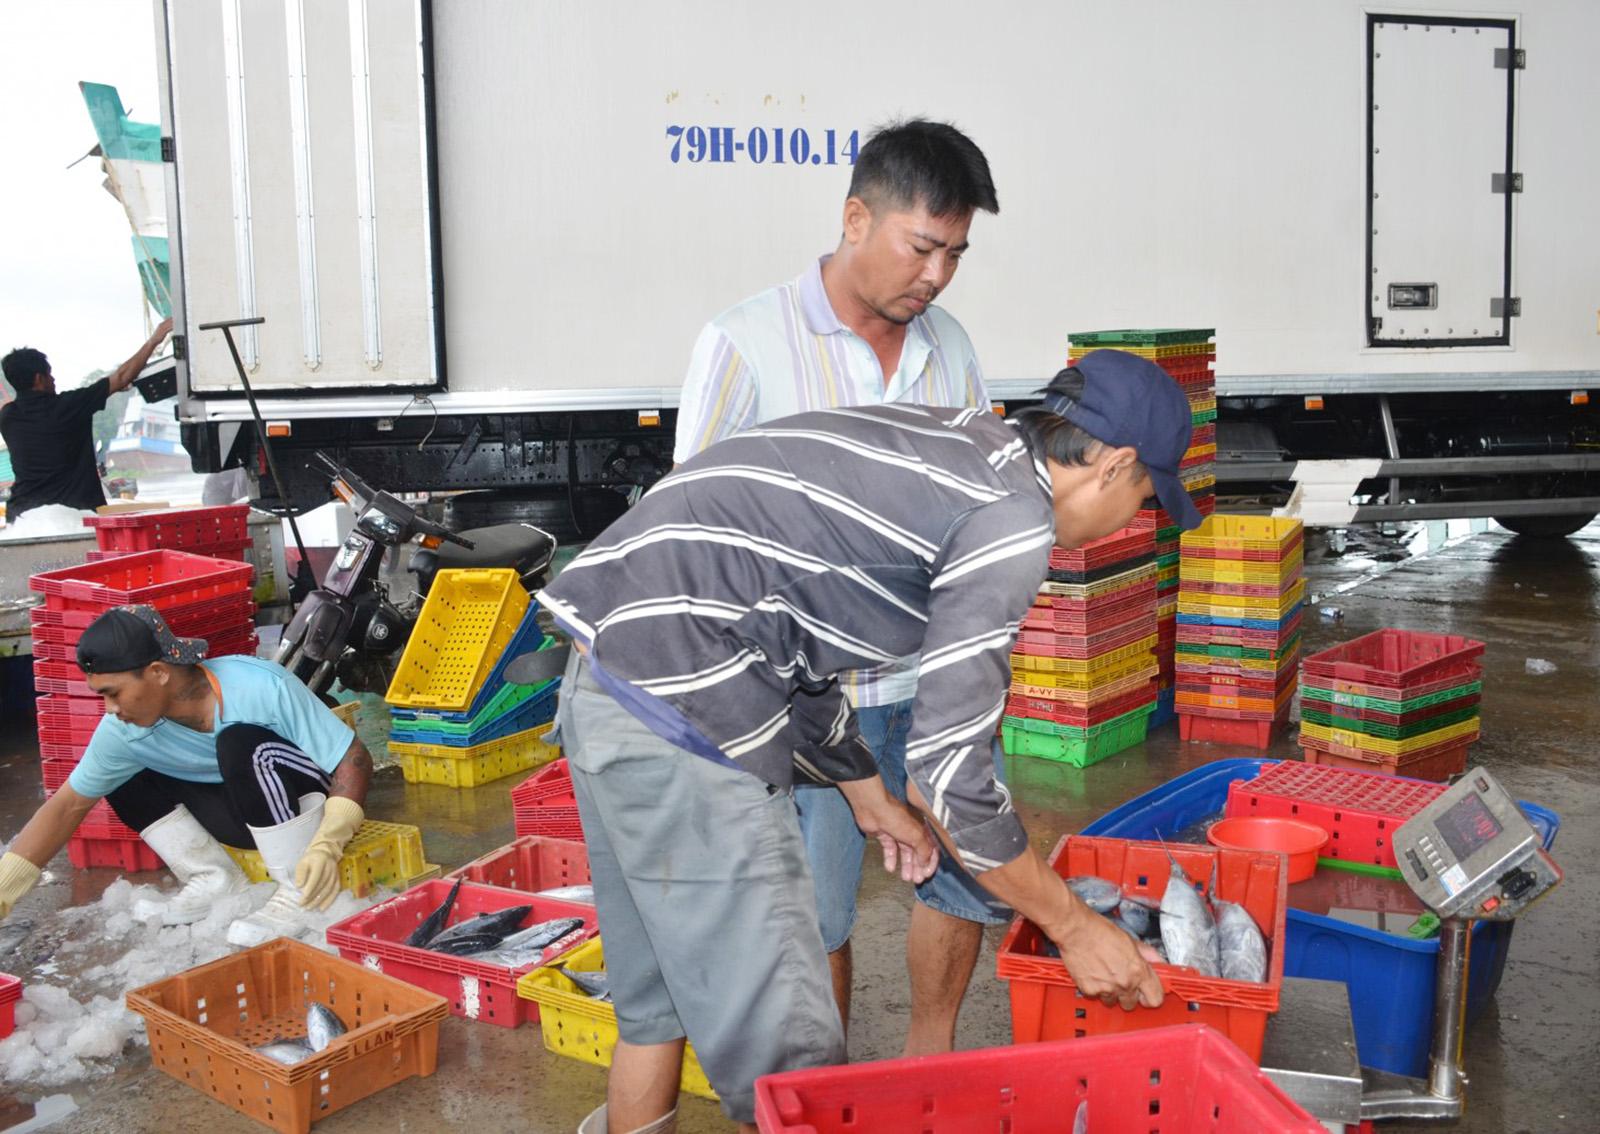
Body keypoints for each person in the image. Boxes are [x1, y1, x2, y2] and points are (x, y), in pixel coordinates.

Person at [540, 349, 1198, 1134]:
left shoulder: (961, 444)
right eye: (1146, 498)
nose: (1134, 519)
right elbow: (948, 779)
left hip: (606, 682)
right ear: (1114, 465)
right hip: (689, 712)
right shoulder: (1010, 518)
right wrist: (1076, 928)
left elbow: (794, 626)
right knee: (791, 1065)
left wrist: (867, 795)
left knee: (655, 1009)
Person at [673, 118, 1001, 1053]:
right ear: (857, 218)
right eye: (922, 246)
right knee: (816, 916)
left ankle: (927, 1065)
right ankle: (826, 1089)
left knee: (961, 877)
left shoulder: (949, 348)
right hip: (811, 703)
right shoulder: (746, 345)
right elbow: (698, 541)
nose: (936, 275)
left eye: (955, 253)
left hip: (935, 684)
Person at [0, 605, 371, 947]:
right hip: (242, 816)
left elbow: (353, 759)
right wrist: (4, 890)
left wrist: (328, 843)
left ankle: (300, 890)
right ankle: (213, 879)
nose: (110, 709)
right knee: (118, 775)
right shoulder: (123, 731)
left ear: (158, 673)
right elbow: (67, 806)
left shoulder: (259, 686)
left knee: (238, 743)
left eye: (114, 693)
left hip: (306, 809)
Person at [0, 318, 173, 522]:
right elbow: (121, 377)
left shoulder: (7, 416)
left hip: (23, 517)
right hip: (71, 516)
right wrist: (155, 339)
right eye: (49, 374)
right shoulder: (69, 405)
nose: (53, 379)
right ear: (39, 378)